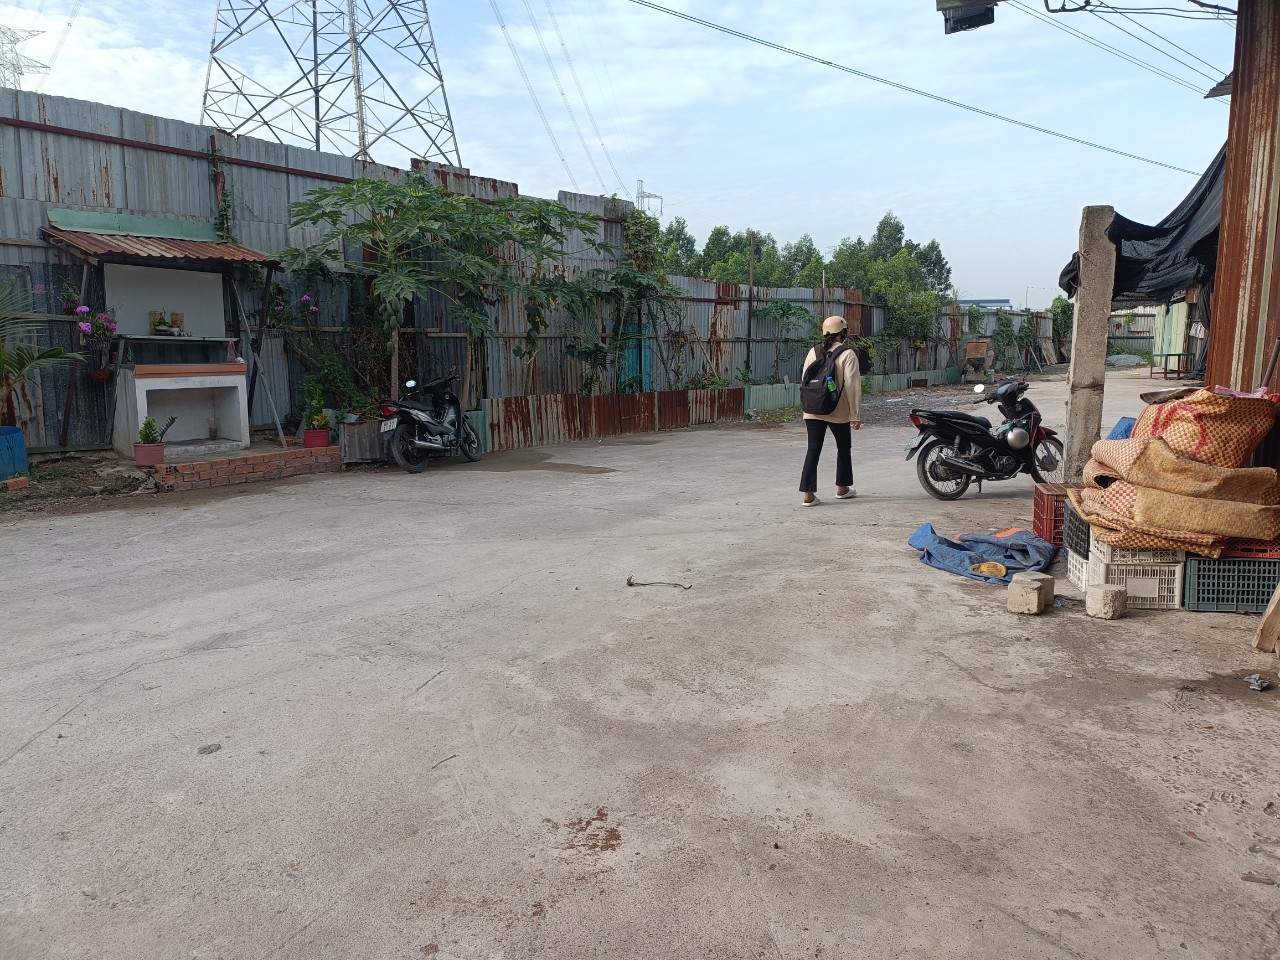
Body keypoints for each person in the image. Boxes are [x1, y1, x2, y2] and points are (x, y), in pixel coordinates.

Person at [799, 316, 862, 506]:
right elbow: (852, 386)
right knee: (843, 448)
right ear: (843, 332)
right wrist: (855, 414)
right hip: (837, 410)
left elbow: (805, 380)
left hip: (812, 409)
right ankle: (842, 488)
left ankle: (808, 495)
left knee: (813, 449)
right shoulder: (847, 354)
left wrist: (808, 404)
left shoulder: (813, 351)